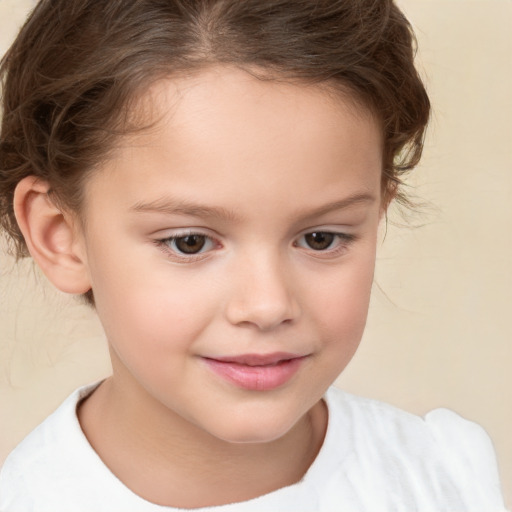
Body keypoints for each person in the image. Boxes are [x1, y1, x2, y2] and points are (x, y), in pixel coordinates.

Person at [0, 0, 506, 510]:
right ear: (59, 234)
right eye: (189, 242)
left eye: (320, 238)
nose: (267, 306)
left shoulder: (444, 479)